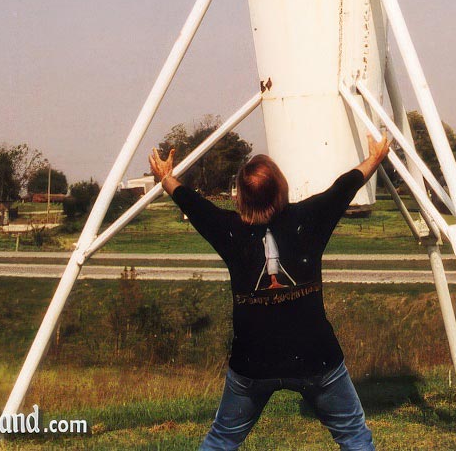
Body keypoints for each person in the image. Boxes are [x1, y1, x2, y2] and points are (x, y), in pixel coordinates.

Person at [148, 132, 390, 451]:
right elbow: (344, 188)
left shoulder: (229, 230)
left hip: (252, 363)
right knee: (354, 435)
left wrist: (166, 177)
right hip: (316, 358)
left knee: (221, 439)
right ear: (281, 189)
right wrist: (374, 158)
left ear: (240, 197)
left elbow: (195, 206)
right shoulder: (309, 217)